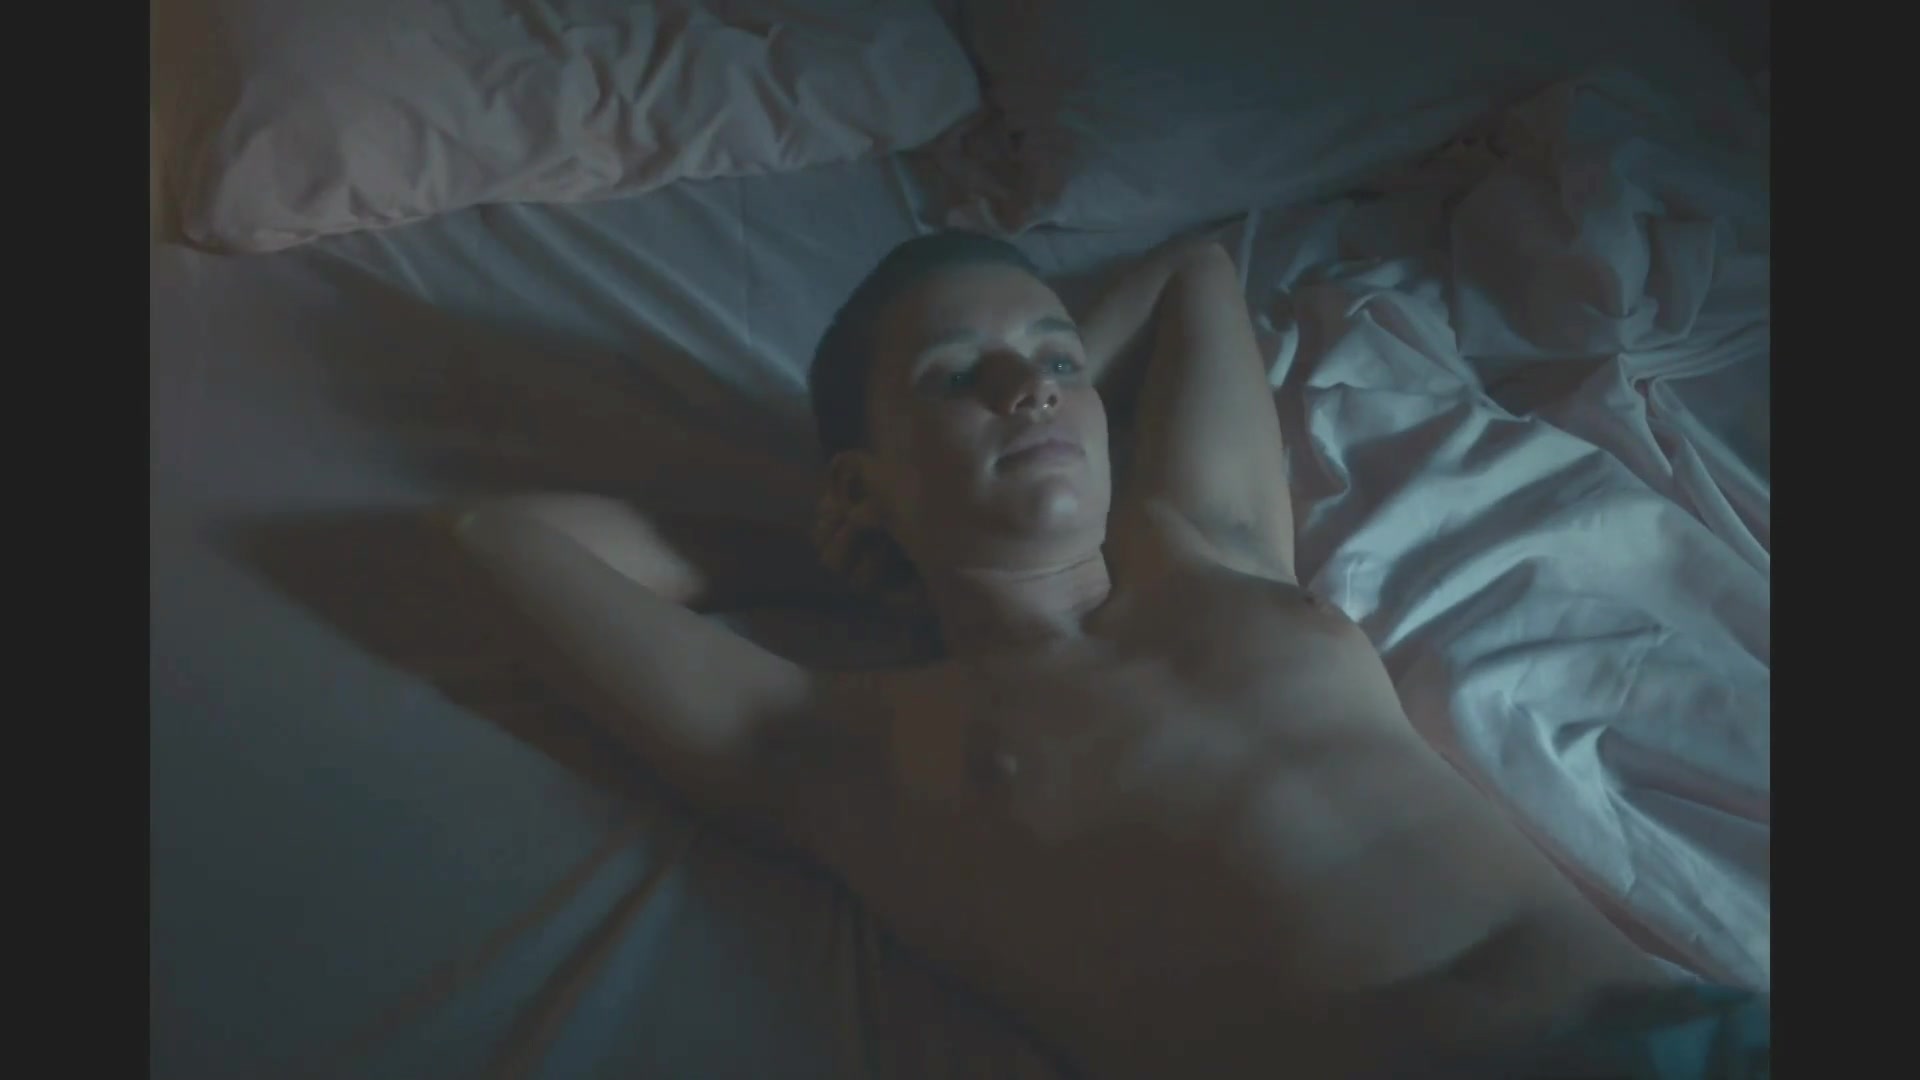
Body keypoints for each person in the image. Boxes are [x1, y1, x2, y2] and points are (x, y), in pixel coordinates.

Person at [454, 231, 1768, 1078]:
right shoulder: (859, 744)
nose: (1025, 389)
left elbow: (1196, 273)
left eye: (1055, 360)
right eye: (955, 377)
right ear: (860, 480)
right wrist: (864, 539)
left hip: (1696, 1032)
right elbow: (496, 539)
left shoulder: (1206, 549)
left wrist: (937, 485)